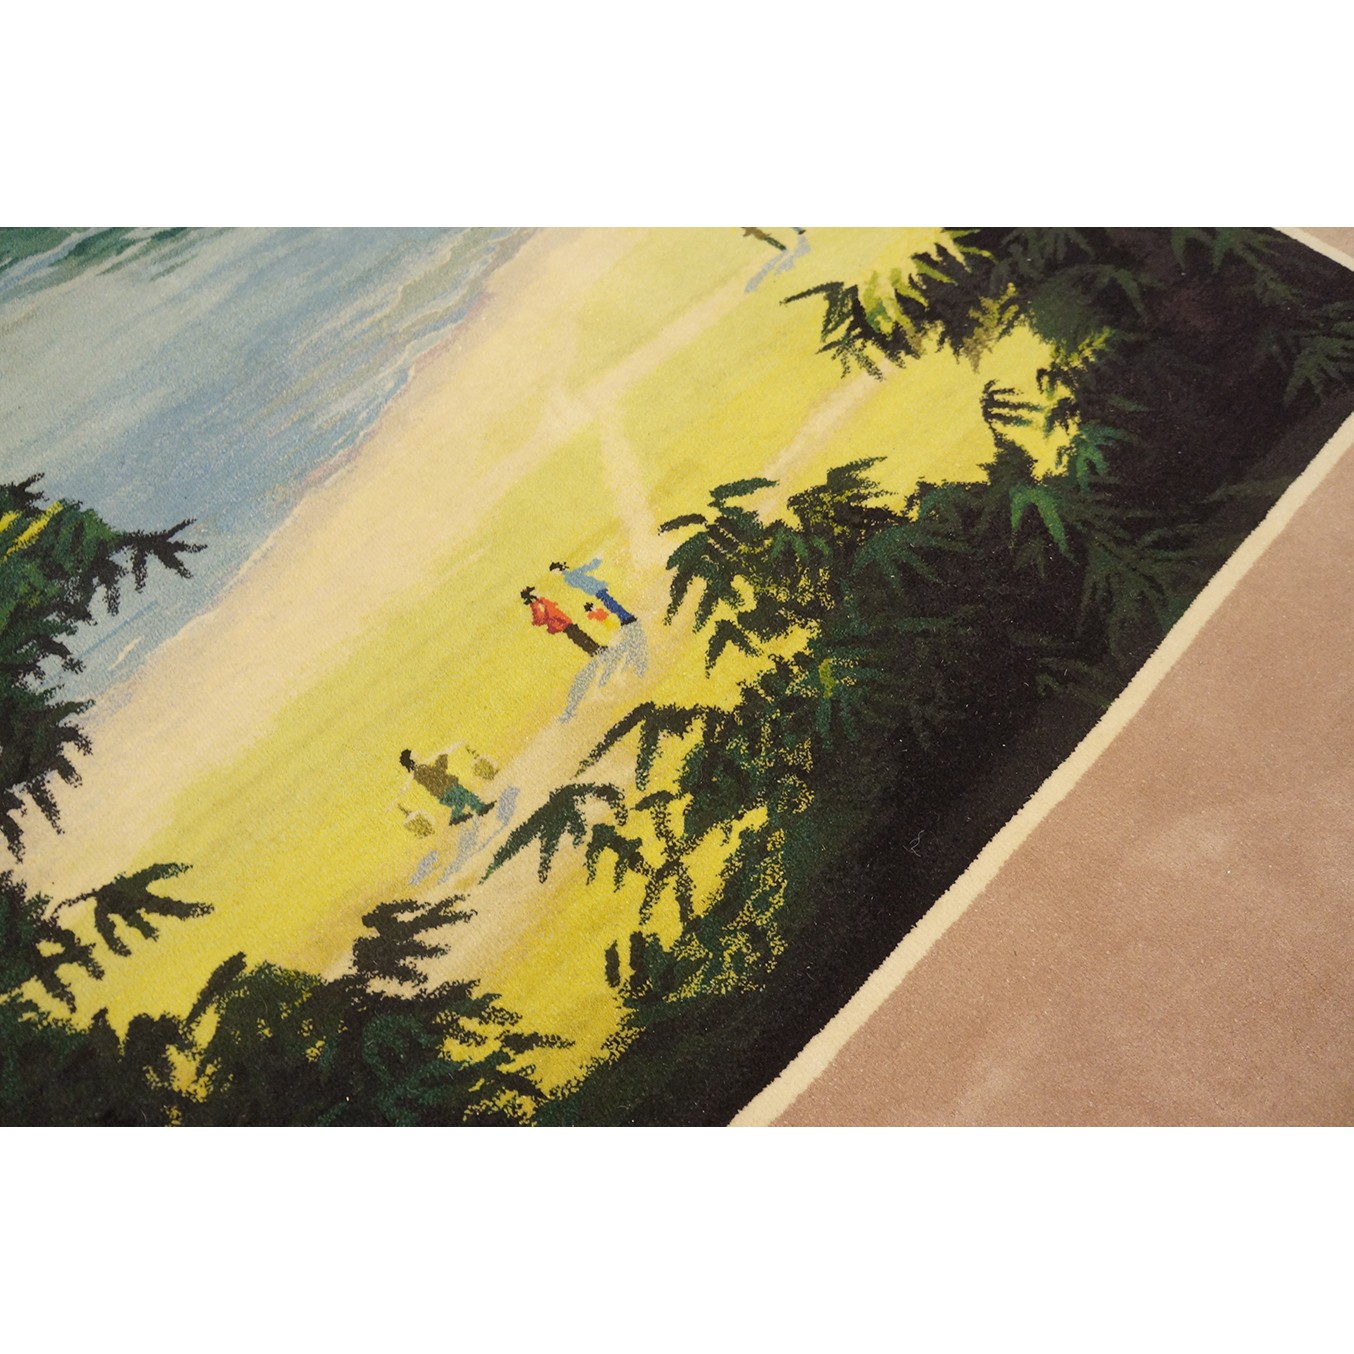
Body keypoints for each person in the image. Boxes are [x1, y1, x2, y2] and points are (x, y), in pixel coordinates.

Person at [398, 748, 495, 826]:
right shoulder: (421, 770)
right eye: (413, 753)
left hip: (443, 792)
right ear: (412, 758)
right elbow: (438, 772)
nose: (416, 753)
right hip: (447, 788)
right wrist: (443, 757)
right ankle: (478, 808)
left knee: (460, 801)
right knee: (465, 795)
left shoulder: (419, 771)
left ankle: (458, 816)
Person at [549, 559, 638, 625]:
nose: (555, 574)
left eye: (554, 571)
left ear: (558, 569)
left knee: (610, 604)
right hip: (595, 588)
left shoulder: (569, 577)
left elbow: (586, 569)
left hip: (595, 588)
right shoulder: (568, 576)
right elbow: (586, 569)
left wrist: (597, 561)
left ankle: (627, 617)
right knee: (609, 604)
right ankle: (624, 617)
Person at [521, 585, 604, 656]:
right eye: (533, 592)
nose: (536, 592)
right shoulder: (537, 606)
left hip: (564, 622)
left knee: (581, 636)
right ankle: (595, 650)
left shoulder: (538, 604)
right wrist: (540, 599)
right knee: (580, 637)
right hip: (563, 624)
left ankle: (595, 649)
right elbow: (547, 614)